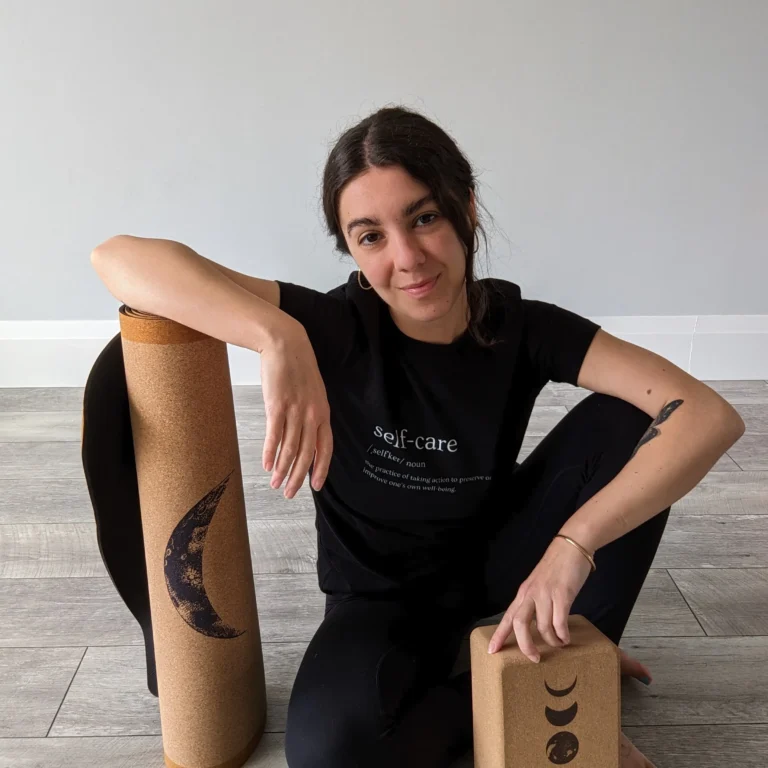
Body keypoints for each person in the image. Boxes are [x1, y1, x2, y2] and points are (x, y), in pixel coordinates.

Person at [90, 105, 745, 768]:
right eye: (371, 236)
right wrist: (274, 335)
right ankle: (534, 685)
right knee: (326, 754)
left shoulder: (522, 327)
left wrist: (572, 548)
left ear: (465, 207)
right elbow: (116, 257)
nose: (407, 258)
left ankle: (562, 657)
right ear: (351, 250)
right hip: (377, 606)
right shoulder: (333, 328)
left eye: (424, 217)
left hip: (502, 573)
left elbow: (709, 414)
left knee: (631, 421)